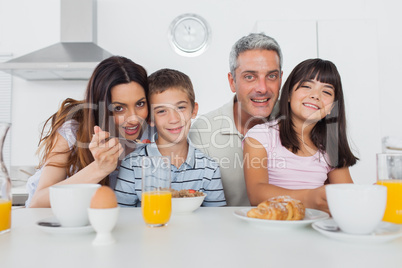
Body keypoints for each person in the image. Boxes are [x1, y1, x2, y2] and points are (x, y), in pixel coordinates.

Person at [26, 56, 155, 208]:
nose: (133, 119)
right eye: (119, 108)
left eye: (140, 104)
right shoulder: (73, 130)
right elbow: (37, 203)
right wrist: (99, 168)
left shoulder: (152, 132)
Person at [243, 58, 358, 213]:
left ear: (332, 107)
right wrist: (311, 198)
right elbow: (256, 193)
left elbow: (348, 196)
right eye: (306, 86)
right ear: (289, 94)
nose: (315, 95)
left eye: (326, 92)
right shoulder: (260, 136)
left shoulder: (331, 147)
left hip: (316, 228)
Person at [189, 33, 282, 206]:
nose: (262, 88)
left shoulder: (297, 122)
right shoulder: (202, 132)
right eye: (249, 77)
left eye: (271, 76)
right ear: (232, 82)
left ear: (281, 79)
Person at [115, 68, 226, 207]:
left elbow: (217, 219)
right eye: (161, 111)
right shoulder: (133, 165)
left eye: (180, 108)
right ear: (150, 118)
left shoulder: (209, 168)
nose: (173, 119)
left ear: (194, 110)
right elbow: (123, 217)